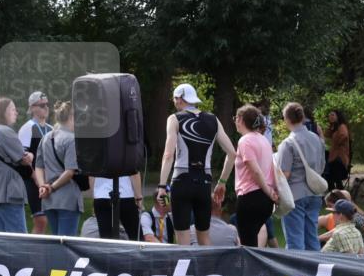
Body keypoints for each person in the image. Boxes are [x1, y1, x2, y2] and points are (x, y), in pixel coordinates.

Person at [156, 83, 237, 246]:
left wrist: (162, 187)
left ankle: (186, 271)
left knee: (183, 241)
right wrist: (222, 182)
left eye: (174, 99)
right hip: (204, 184)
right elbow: (232, 153)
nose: (174, 102)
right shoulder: (213, 119)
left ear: (180, 99)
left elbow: (168, 154)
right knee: (204, 238)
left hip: (181, 182)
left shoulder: (174, 119)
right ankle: (209, 271)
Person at [214, 104, 277, 247]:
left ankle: (250, 269)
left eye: (236, 118)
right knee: (253, 241)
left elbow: (255, 170)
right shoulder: (264, 140)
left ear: (241, 120)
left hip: (250, 198)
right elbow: (270, 168)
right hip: (265, 201)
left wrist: (268, 191)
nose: (235, 121)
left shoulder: (245, 141)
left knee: (247, 246)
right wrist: (271, 192)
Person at [276, 102, 326, 250]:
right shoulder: (316, 139)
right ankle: (315, 271)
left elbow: (284, 174)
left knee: (295, 241)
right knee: (312, 239)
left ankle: (295, 274)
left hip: (295, 195)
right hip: (315, 193)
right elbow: (322, 165)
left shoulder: (288, 143)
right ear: (303, 117)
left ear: (286, 119)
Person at [35, 101, 83, 236]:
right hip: (67, 198)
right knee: (66, 244)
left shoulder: (45, 138)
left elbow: (38, 167)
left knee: (56, 242)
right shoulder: (71, 139)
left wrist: (42, 186)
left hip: (49, 201)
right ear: (72, 117)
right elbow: (69, 172)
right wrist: (52, 188)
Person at [0, 97, 32, 233]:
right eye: (12, 109)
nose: (16, 112)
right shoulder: (4, 131)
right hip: (9, 193)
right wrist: (31, 155)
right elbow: (24, 159)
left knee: (5, 239)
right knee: (19, 239)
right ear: (3, 113)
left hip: (0, 193)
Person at [18, 91, 53, 234]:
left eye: (47, 104)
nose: (45, 107)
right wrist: (37, 180)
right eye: (41, 105)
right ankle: (31, 254)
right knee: (40, 221)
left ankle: (44, 253)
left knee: (50, 219)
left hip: (49, 180)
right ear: (32, 108)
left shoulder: (51, 129)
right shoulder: (28, 128)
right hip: (33, 180)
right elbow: (24, 160)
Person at [92, 173, 142, 240]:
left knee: (106, 237)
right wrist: (138, 197)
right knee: (136, 236)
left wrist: (95, 197)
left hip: (101, 195)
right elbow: (134, 173)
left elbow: (91, 176)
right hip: (125, 195)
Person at [323, 109, 351, 190]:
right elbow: (326, 134)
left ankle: (337, 195)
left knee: (330, 177)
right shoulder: (335, 127)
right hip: (334, 157)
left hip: (339, 158)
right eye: (329, 115)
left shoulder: (342, 126)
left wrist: (337, 144)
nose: (330, 117)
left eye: (332, 115)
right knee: (331, 177)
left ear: (338, 116)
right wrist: (330, 126)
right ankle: (336, 195)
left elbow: (344, 136)